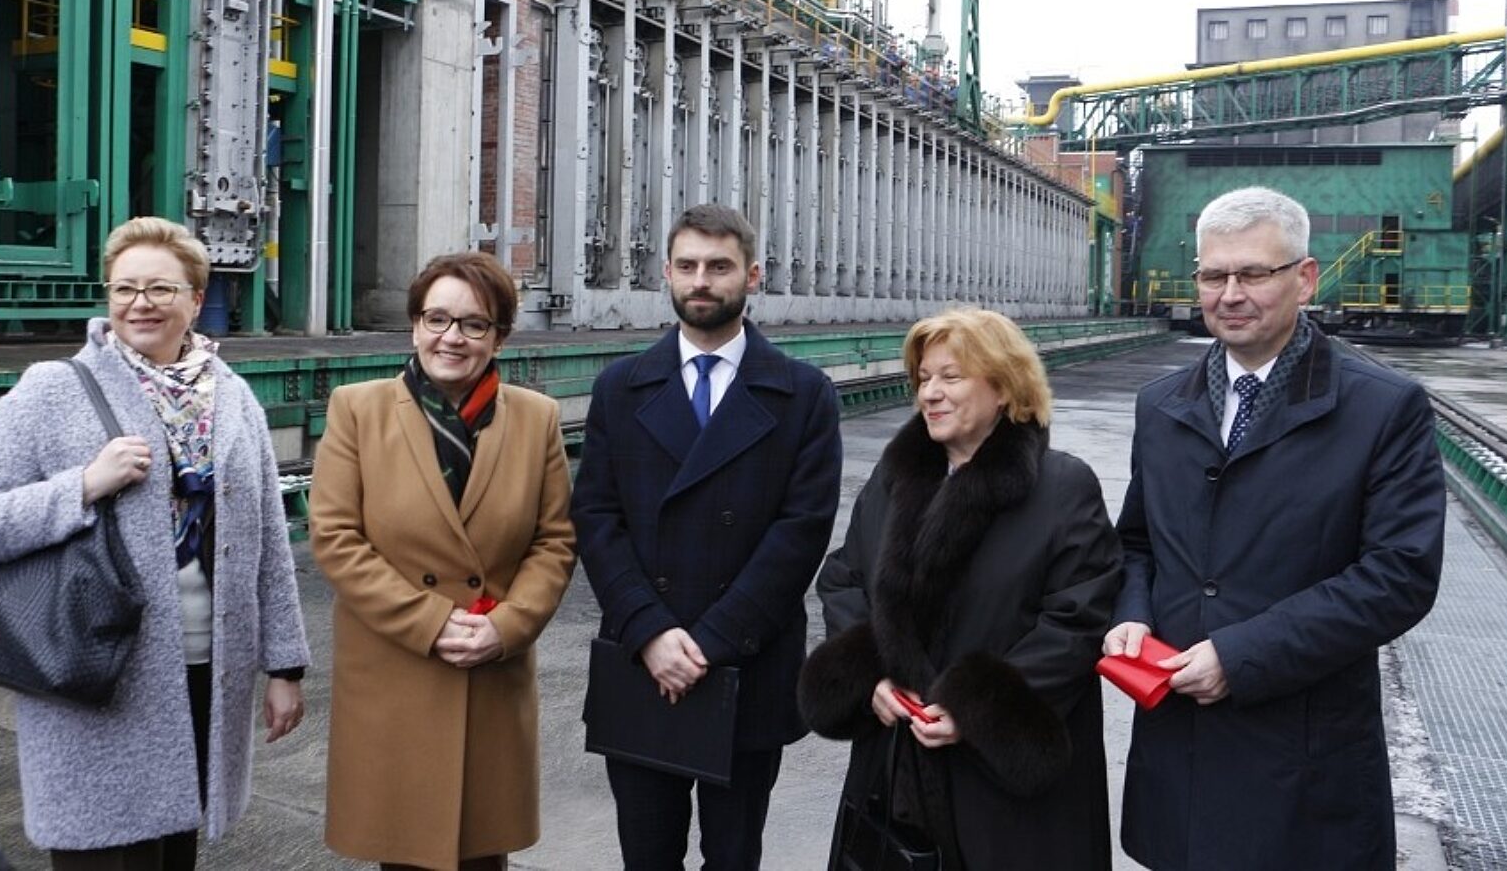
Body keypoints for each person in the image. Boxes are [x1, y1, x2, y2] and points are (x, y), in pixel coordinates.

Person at [0, 216, 310, 870]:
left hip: (204, 672)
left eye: (160, 288)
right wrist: (83, 485)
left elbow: (267, 543)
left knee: (172, 853)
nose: (141, 303)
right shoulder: (51, 389)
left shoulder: (232, 399)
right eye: (125, 288)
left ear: (196, 298)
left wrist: (284, 667)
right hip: (94, 672)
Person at [1104, 186, 1446, 871]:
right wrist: (1132, 613)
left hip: (1303, 761)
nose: (1230, 294)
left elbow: (1398, 576)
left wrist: (1242, 656)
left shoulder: (1381, 409)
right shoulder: (1162, 405)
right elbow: (1137, 541)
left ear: (1305, 278)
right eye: (1213, 275)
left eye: (1253, 273)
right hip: (1181, 750)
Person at [570, 203, 842, 871]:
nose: (701, 281)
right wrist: (650, 632)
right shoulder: (620, 389)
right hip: (642, 661)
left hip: (748, 665)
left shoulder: (804, 395)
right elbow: (597, 519)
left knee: (734, 856)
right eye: (687, 265)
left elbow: (800, 533)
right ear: (666, 273)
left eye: (719, 266)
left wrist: (709, 644)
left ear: (752, 275)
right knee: (646, 856)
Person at [800, 307, 1121, 870]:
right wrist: (871, 676)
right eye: (924, 378)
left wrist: (973, 710)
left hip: (1001, 782)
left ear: (1005, 388)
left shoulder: (1063, 487)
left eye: (951, 377)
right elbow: (845, 575)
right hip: (896, 765)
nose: (930, 393)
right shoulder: (897, 476)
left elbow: (1077, 620)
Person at [309, 251, 576, 871]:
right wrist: (430, 621)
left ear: (499, 337)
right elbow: (337, 536)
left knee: (482, 853)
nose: (452, 337)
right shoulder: (358, 409)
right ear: (415, 326)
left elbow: (554, 541)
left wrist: (508, 625)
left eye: (474, 324)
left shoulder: (536, 419)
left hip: (491, 668)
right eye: (437, 319)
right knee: (404, 852)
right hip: (395, 669)